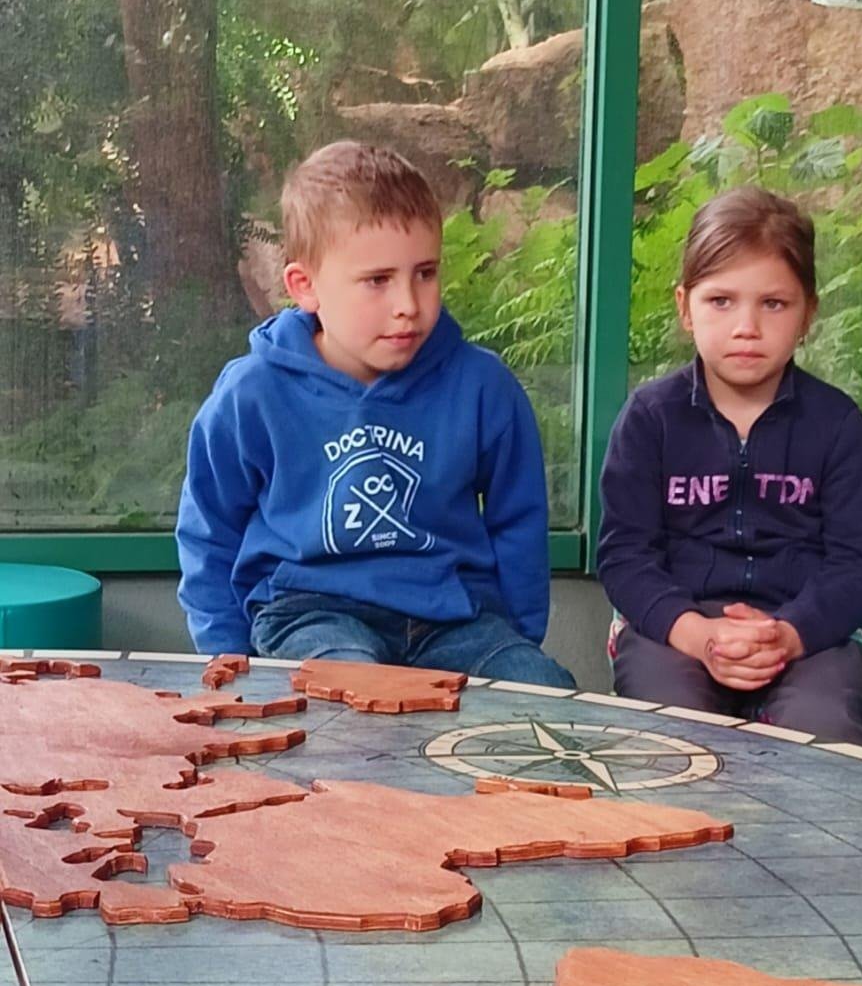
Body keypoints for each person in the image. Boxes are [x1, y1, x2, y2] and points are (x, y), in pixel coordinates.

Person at [177, 140, 574, 686]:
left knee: (544, 692)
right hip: (312, 612)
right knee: (354, 696)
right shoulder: (252, 393)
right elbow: (209, 529)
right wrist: (226, 652)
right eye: (378, 280)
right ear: (305, 286)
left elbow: (518, 522)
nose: (408, 304)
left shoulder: (483, 387)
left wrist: (519, 642)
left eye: (425, 273)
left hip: (456, 619)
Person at [597, 185, 862, 744]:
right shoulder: (650, 419)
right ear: (685, 307)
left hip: (808, 632)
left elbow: (859, 566)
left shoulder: (837, 424)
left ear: (808, 313)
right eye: (721, 301)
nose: (746, 327)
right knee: (669, 730)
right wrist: (699, 635)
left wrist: (790, 634)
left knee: (825, 728)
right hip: (676, 629)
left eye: (773, 304)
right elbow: (625, 557)